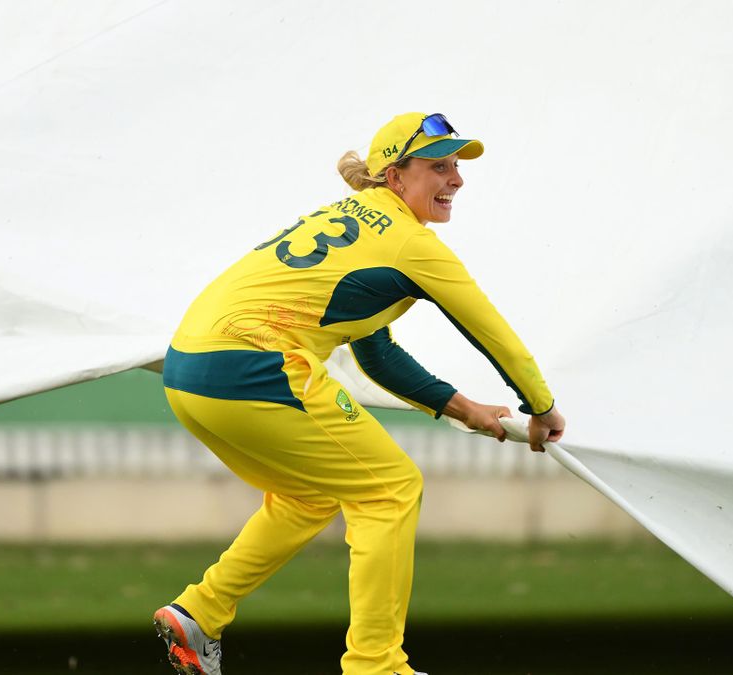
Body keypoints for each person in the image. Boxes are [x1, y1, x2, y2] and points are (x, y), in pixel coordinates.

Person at [152, 112, 566, 675]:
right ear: (395, 178)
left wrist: (466, 410)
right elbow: (495, 335)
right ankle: (376, 667)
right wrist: (539, 408)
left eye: (457, 166)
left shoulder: (354, 221)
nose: (457, 180)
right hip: (255, 364)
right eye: (439, 166)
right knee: (392, 490)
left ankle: (200, 610)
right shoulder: (408, 244)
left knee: (309, 498)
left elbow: (377, 354)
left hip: (187, 372)